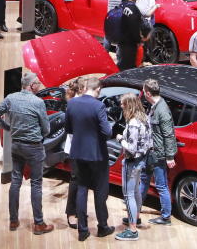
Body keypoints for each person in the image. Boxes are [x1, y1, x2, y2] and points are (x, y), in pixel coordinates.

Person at [0, 70, 53, 235]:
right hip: (34, 148)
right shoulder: (38, 102)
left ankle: (13, 220)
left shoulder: (11, 98)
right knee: (36, 184)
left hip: (16, 146)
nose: (39, 85)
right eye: (38, 83)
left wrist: (8, 129)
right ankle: (39, 224)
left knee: (15, 181)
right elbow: (46, 129)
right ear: (32, 85)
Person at [66, 76, 113, 241]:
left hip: (77, 153)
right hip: (97, 155)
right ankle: (102, 227)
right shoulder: (98, 105)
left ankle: (83, 230)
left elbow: (69, 128)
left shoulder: (71, 103)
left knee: (82, 189)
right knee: (100, 191)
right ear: (98, 89)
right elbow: (107, 132)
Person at [139, 79, 177, 227]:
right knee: (144, 179)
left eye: (143, 91)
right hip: (151, 152)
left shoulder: (162, 110)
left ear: (148, 93)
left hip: (158, 154)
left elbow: (169, 134)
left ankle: (166, 216)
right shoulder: (155, 106)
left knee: (161, 185)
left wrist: (169, 156)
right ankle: (136, 207)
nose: (142, 94)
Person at [114, 93, 152, 241]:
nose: (121, 106)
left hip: (132, 162)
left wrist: (120, 139)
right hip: (141, 160)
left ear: (129, 105)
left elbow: (131, 148)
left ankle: (132, 230)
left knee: (128, 194)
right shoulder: (145, 118)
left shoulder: (134, 123)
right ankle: (136, 217)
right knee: (136, 191)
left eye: (123, 104)